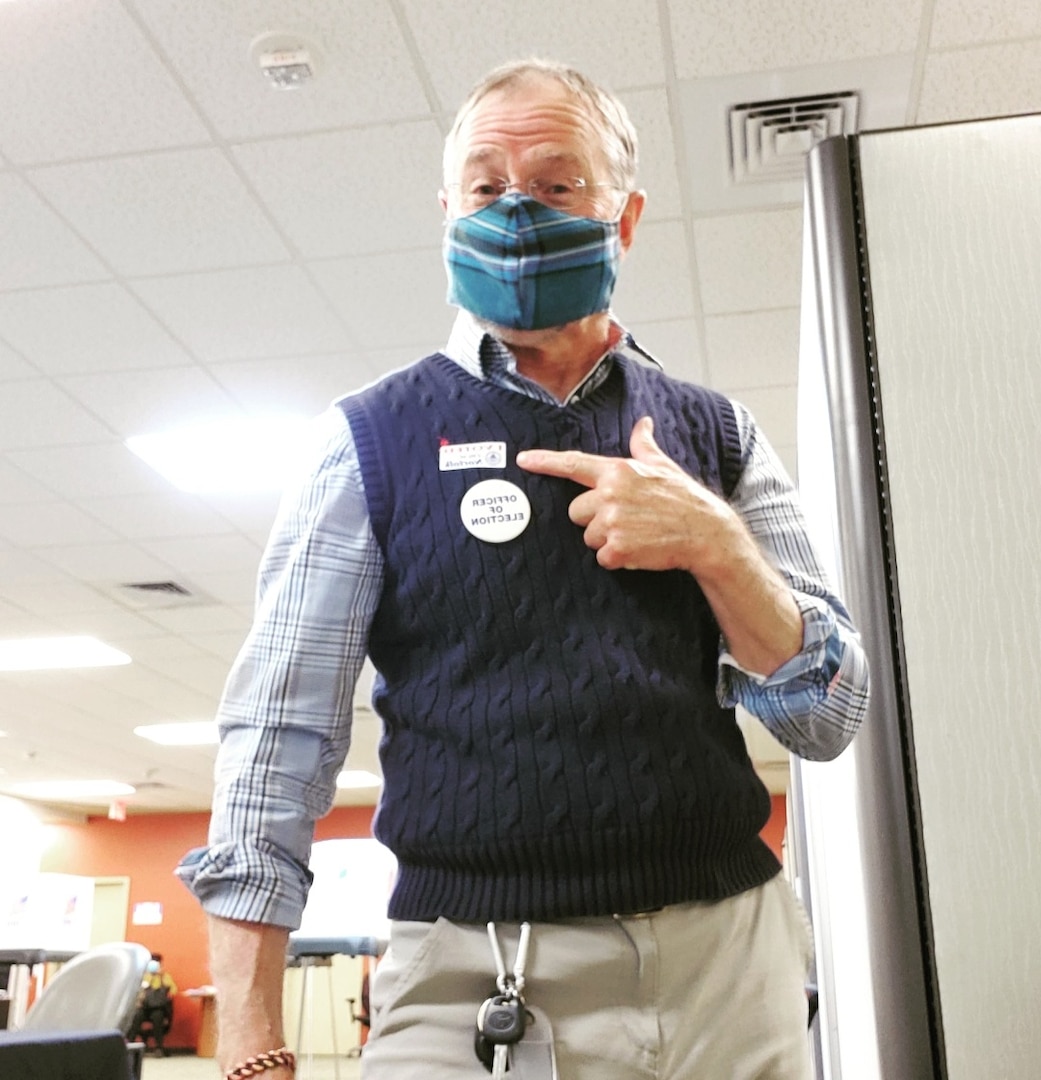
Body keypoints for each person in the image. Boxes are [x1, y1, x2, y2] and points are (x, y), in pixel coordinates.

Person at [177, 57, 869, 1080]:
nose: (515, 212)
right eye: (486, 186)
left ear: (623, 220)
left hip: (728, 961)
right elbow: (275, 741)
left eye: (555, 184)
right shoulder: (366, 439)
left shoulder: (715, 436)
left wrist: (718, 547)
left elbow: (828, 717)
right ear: (447, 212)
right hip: (472, 970)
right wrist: (246, 1032)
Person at [128, 953, 176, 1056]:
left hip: (158, 1007)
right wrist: (149, 978)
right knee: (137, 1016)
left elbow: (173, 990)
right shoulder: (143, 976)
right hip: (144, 1006)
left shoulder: (165, 976)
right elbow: (139, 989)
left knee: (157, 1017)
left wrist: (161, 979)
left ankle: (159, 1047)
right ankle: (129, 1044)